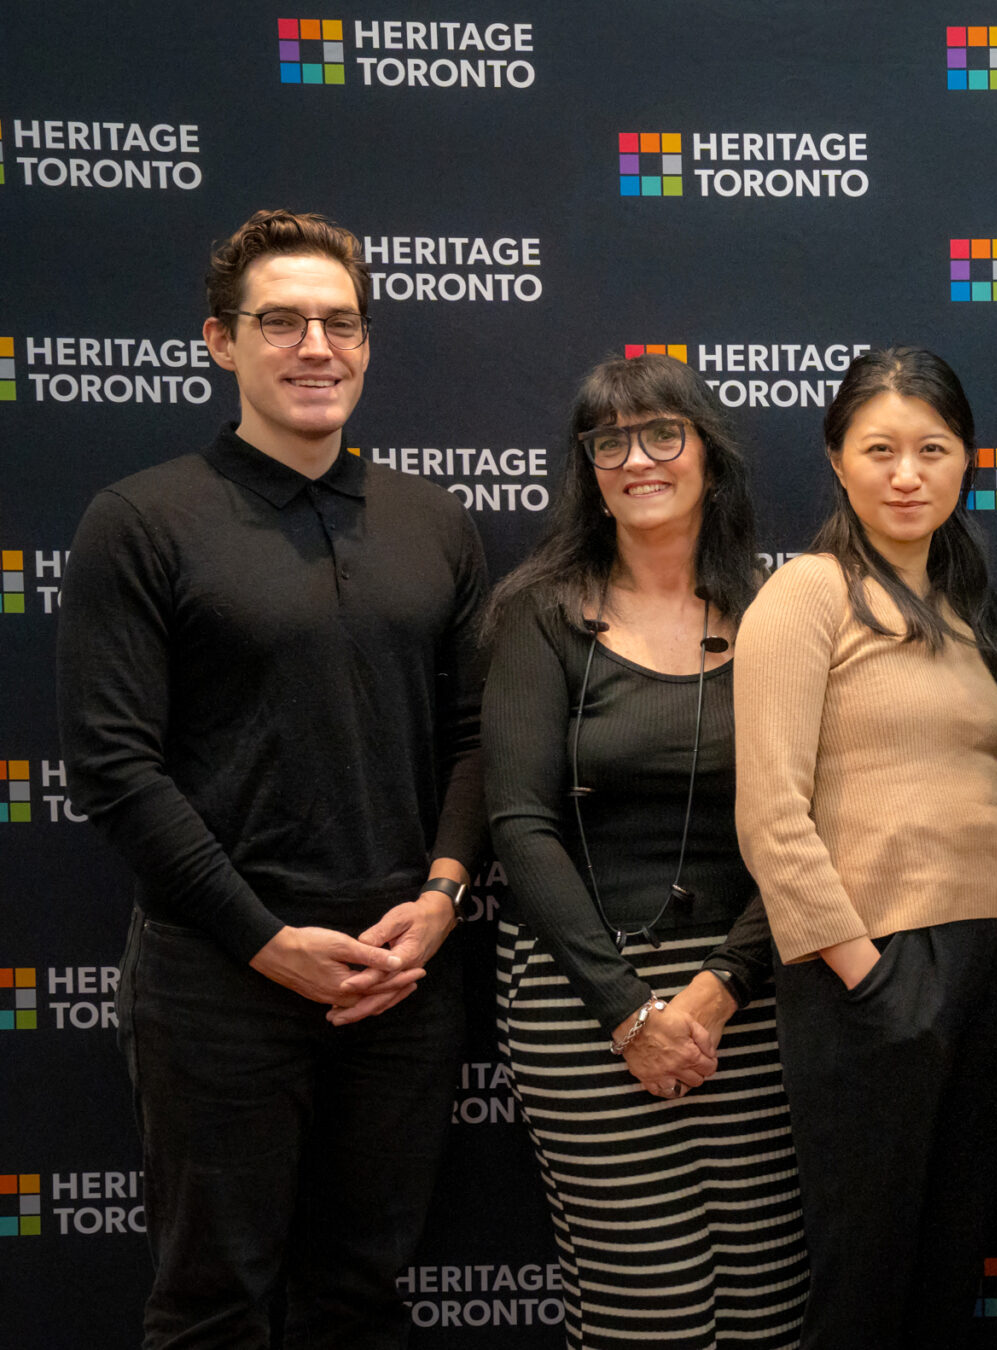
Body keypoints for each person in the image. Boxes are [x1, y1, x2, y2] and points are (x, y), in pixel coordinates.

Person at [56, 209, 486, 1348]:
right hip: (218, 982)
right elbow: (115, 766)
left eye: (339, 323)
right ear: (220, 342)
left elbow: (475, 738)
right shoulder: (140, 521)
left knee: (362, 1300)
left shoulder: (434, 523)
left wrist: (441, 900)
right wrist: (265, 940)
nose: (314, 347)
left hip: (399, 981)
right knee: (215, 1306)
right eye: (281, 321)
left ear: (367, 344)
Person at [481, 353, 807, 1347]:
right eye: (608, 442)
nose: (636, 459)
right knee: (651, 1311)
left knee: (768, 1309)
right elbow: (519, 824)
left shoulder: (779, 613)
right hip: (584, 995)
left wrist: (717, 990)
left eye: (662, 432)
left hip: (749, 997)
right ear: (587, 468)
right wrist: (631, 1014)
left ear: (709, 453)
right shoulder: (540, 613)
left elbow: (812, 830)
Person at [733, 346, 997, 1349]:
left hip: (987, 977)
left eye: (932, 449)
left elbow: (988, 808)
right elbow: (771, 815)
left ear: (965, 462)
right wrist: (864, 976)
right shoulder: (805, 594)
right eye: (881, 449)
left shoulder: (968, 610)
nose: (908, 474)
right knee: (863, 1284)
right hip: (871, 972)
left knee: (949, 1274)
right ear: (836, 460)